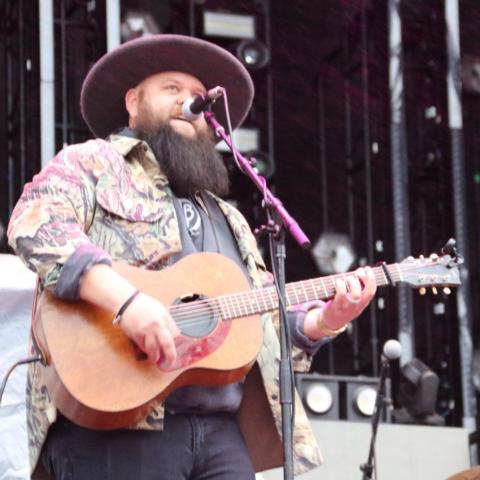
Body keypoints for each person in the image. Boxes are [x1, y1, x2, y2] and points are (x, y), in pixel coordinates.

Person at [7, 34, 376, 480]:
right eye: (172, 89)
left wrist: (326, 320)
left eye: (198, 97)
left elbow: (264, 319)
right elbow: (34, 224)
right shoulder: (94, 163)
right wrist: (127, 302)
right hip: (118, 420)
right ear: (132, 102)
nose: (189, 102)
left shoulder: (229, 217)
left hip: (222, 433)